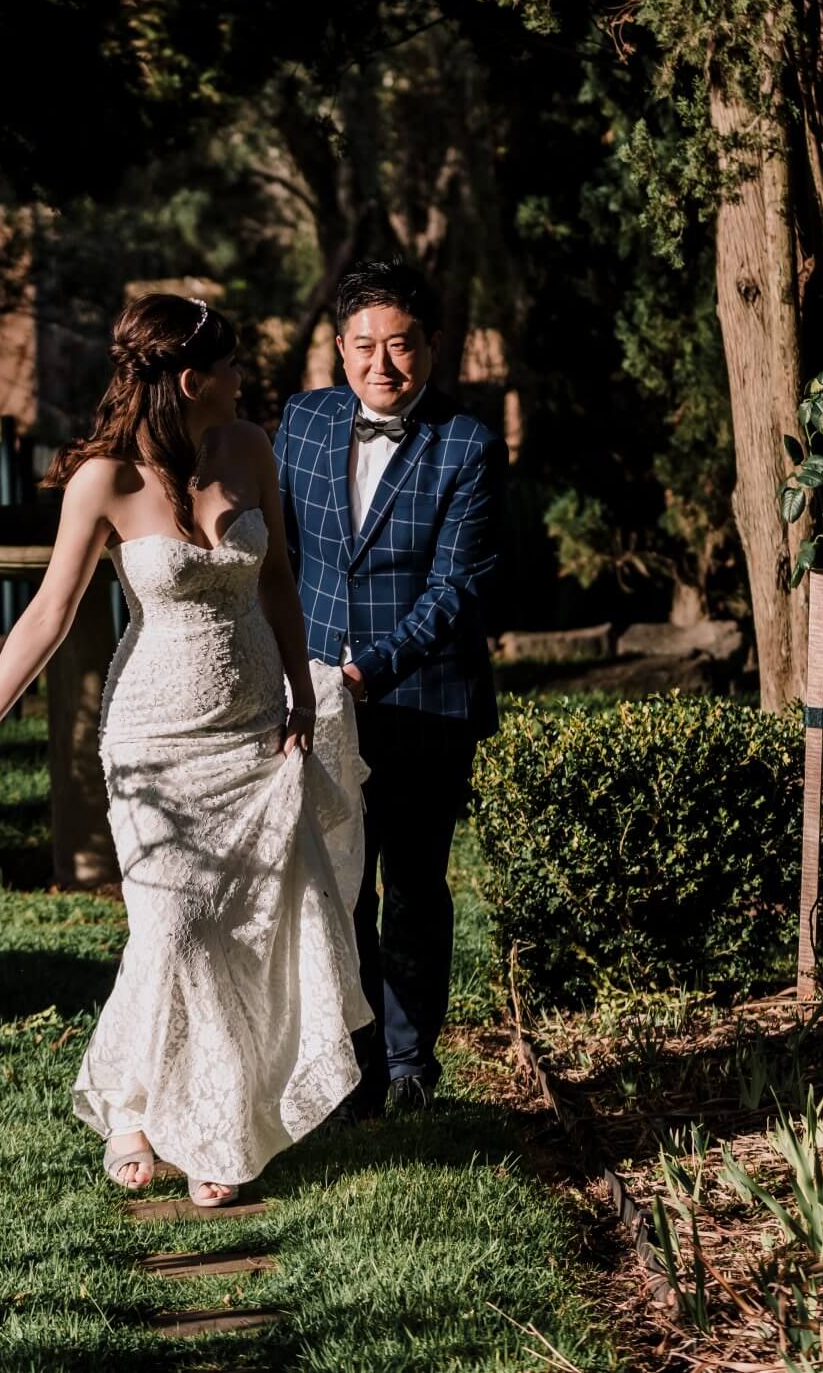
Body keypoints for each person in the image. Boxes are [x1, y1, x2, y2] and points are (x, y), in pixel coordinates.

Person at [0, 294, 369, 1208]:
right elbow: (49, 613)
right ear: (191, 377)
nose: (246, 377)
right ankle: (135, 1103)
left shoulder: (247, 447)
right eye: (233, 363)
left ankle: (214, 1127)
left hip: (251, 728)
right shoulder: (103, 480)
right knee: (175, 929)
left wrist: (296, 689)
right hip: (154, 738)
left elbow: (277, 576)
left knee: (239, 932)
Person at [275, 259, 500, 1119]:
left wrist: (370, 668)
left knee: (412, 883)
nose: (382, 364)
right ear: (339, 349)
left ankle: (410, 1063)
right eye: (364, 346)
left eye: (399, 346)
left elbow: (457, 590)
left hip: (423, 702)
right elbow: (276, 558)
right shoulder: (299, 423)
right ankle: (353, 1065)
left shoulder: (467, 445)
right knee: (336, 884)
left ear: (431, 349)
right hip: (317, 704)